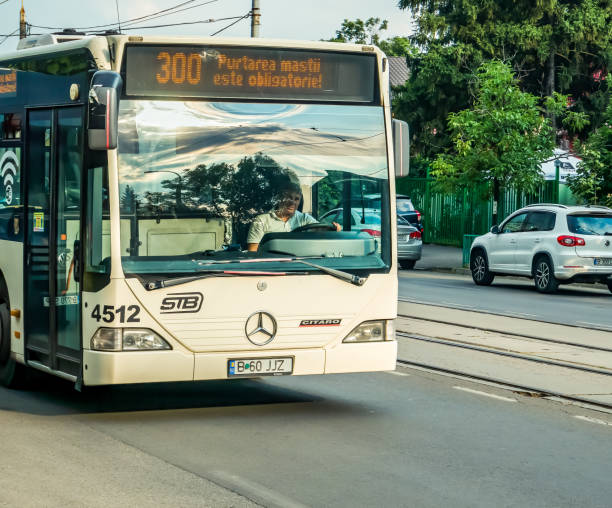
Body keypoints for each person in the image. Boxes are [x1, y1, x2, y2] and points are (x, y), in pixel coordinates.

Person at [246, 182, 340, 252]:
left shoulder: (304, 218)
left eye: (296, 199)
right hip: (271, 266)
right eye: (289, 197)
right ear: (279, 198)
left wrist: (334, 229)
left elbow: (319, 230)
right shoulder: (261, 221)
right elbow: (252, 252)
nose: (293, 202)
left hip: (301, 265)